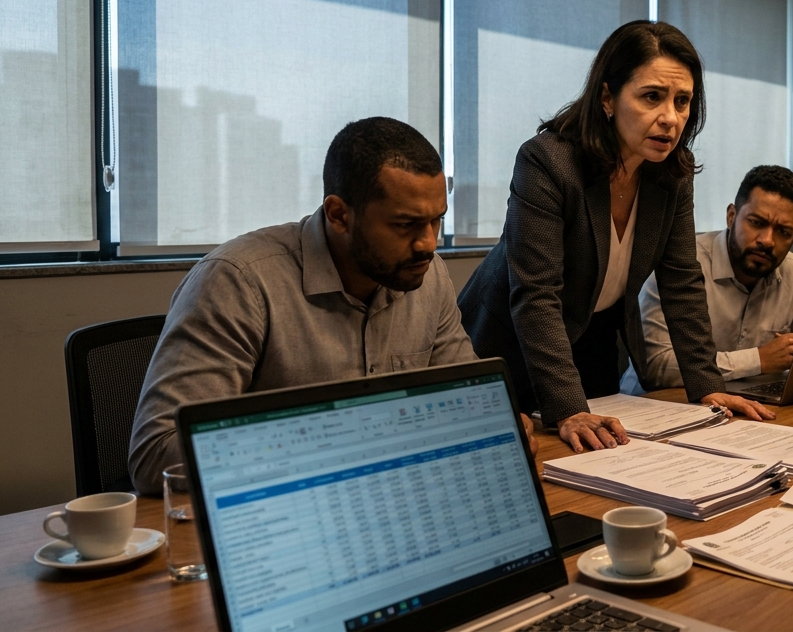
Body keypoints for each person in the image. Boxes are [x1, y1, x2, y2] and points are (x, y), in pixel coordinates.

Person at [129, 117, 536, 496]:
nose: (428, 243)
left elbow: (464, 397)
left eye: (436, 221)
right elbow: (156, 454)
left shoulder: (427, 276)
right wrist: (346, 437)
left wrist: (494, 419)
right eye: (405, 224)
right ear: (339, 215)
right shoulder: (238, 281)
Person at [459, 20, 776, 453]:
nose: (670, 118)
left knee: (603, 460)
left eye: (682, 101)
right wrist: (568, 407)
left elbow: (681, 281)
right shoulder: (548, 161)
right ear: (607, 97)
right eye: (652, 97)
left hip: (593, 337)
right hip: (512, 342)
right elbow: (535, 295)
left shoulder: (672, 173)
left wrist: (707, 385)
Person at [622, 165, 793, 393]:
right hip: (660, 405)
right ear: (731, 216)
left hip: (750, 406)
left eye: (783, 231)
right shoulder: (678, 265)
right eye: (756, 222)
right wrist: (758, 360)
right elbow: (656, 367)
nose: (767, 240)